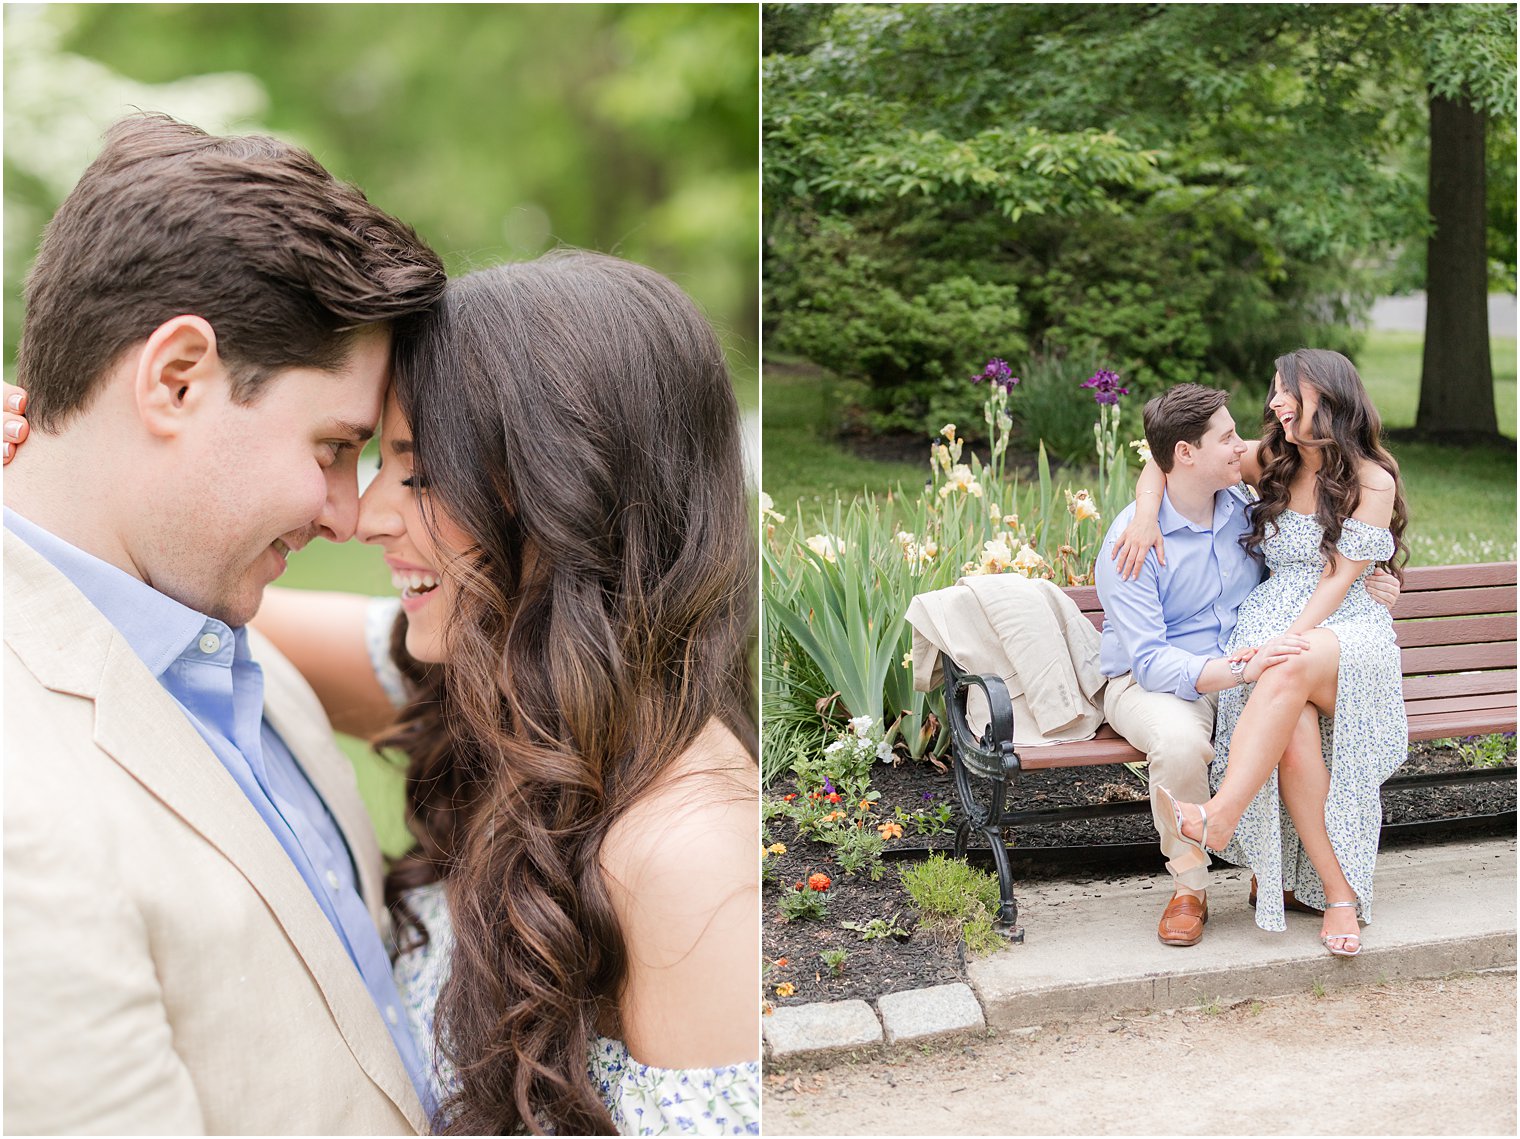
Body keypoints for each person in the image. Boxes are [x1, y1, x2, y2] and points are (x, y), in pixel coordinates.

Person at [184, 254, 761, 1133]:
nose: (368, 513)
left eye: (418, 470)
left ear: (567, 490)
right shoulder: (490, 685)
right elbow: (201, 613)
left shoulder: (689, 856)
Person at [2, 114, 446, 1132]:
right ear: (177, 378)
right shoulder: (19, 800)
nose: (347, 512)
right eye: (335, 446)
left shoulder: (237, 648)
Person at [1121, 353, 1408, 957]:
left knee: (1286, 666)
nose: (1275, 404)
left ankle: (1221, 815)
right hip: (1280, 630)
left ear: (1326, 400)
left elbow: (1336, 581)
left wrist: (1290, 638)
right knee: (1294, 722)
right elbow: (1166, 454)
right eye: (1276, 393)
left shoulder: (1373, 479)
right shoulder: (1273, 459)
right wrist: (1147, 514)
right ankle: (1337, 894)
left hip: (1347, 630)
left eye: (1287, 394)